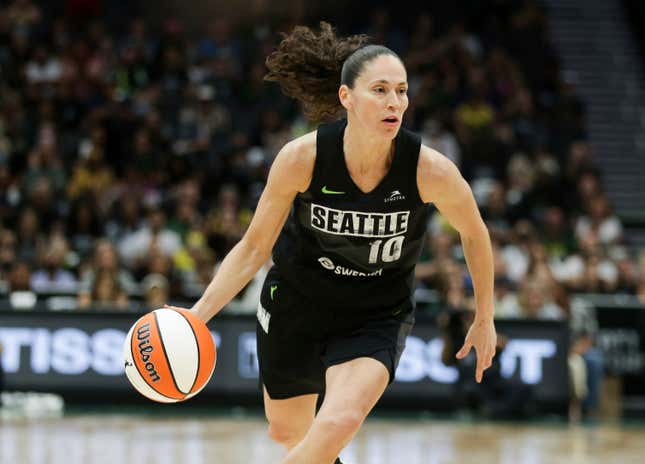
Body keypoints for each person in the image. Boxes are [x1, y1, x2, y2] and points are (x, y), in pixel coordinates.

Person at [168, 22, 497, 464]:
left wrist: (485, 315)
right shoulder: (301, 158)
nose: (394, 102)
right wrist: (197, 316)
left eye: (401, 91)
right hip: (297, 301)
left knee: (339, 421)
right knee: (290, 432)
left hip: (376, 312)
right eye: (379, 90)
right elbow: (253, 247)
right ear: (346, 97)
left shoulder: (429, 169)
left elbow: (474, 232)